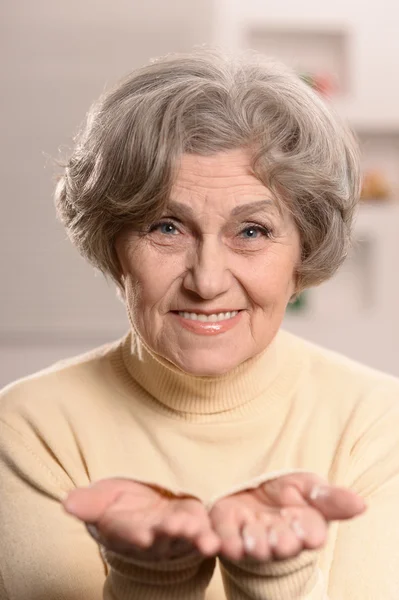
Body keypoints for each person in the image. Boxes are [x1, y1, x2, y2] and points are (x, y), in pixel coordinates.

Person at [1, 48, 398, 600]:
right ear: (113, 246)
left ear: (302, 254)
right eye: (166, 227)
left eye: (253, 231)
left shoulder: (380, 423)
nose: (207, 281)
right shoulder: (28, 426)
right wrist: (151, 577)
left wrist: (274, 577)